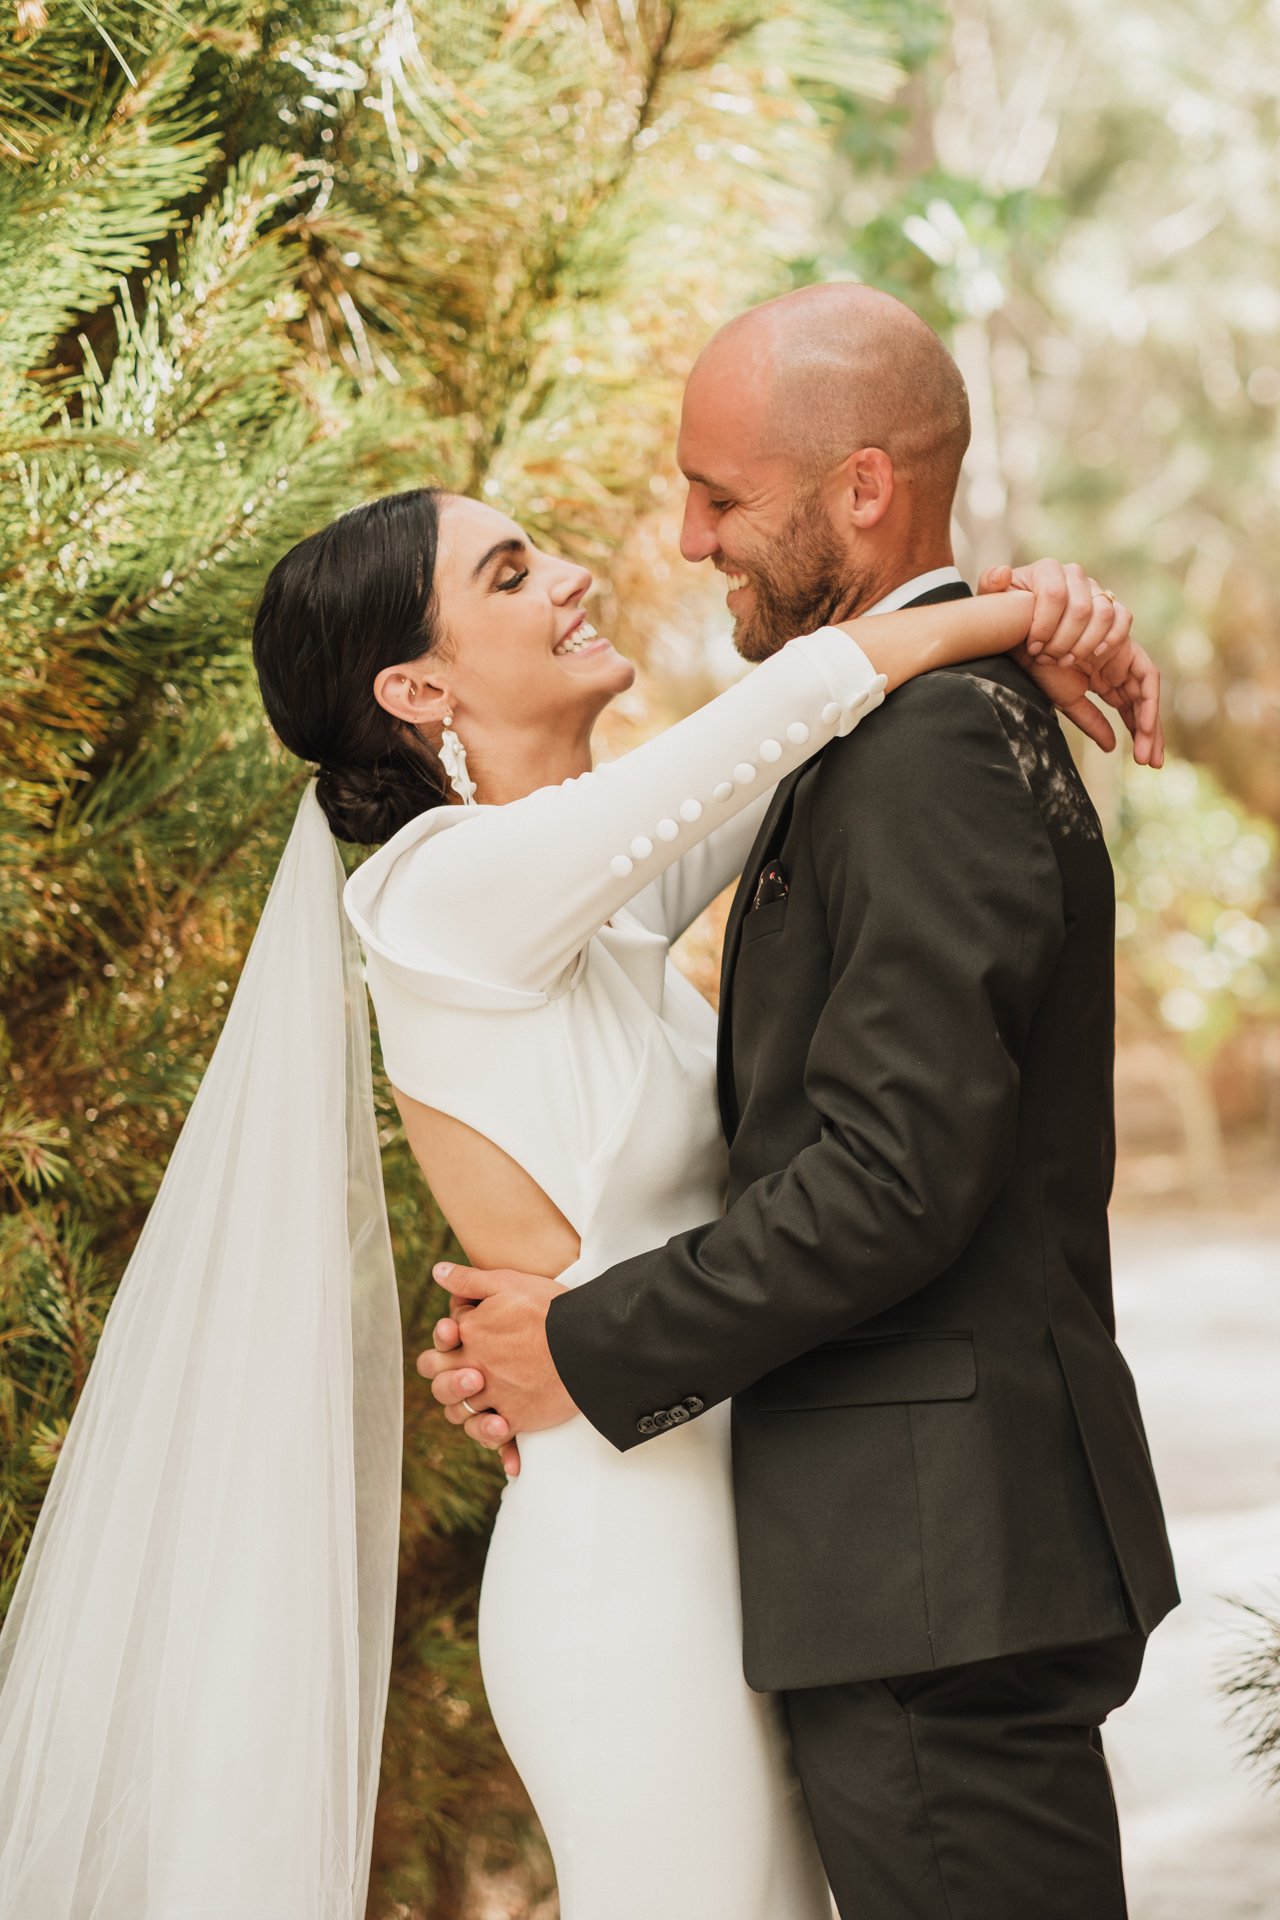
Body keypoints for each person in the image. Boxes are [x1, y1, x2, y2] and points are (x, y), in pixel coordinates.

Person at [0, 290, 1159, 1919]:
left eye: (546, 548)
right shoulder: (432, 894)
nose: (603, 562)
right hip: (632, 1554)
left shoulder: (586, 913)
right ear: (413, 692)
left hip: (763, 1519)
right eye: (507, 571)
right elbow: (776, 726)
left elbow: (767, 770)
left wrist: (1023, 600)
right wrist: (982, 614)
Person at [418, 285, 1179, 1919]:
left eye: (721, 496)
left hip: (933, 1563)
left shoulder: (925, 749)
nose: (687, 540)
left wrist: (581, 1344)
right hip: (889, 1559)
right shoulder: (879, 730)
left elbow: (895, 1175)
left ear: (860, 491)